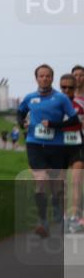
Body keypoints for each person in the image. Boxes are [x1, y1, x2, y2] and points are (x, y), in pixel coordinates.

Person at [17, 64, 80, 237]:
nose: (44, 79)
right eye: (41, 76)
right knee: (41, 180)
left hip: (56, 146)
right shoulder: (30, 97)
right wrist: (22, 125)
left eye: (47, 76)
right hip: (34, 144)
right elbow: (20, 112)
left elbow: (74, 121)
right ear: (36, 78)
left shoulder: (61, 99)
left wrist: (54, 125)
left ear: (52, 79)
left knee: (57, 185)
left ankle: (58, 210)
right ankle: (43, 221)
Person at [59, 72, 84, 233]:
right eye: (64, 88)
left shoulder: (80, 106)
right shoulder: (54, 104)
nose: (67, 90)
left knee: (76, 182)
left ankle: (74, 216)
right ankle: (63, 217)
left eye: (70, 88)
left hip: (77, 147)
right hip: (59, 148)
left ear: (75, 89)